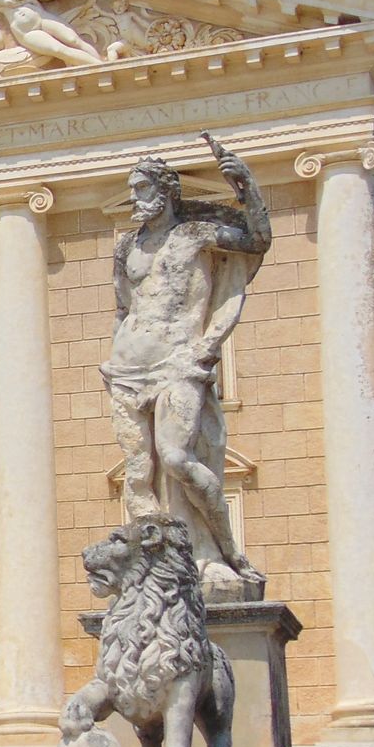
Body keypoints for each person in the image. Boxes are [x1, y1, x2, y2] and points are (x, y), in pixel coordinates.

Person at [103, 136, 272, 588]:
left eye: (140, 188)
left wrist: (246, 188)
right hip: (126, 368)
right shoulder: (127, 248)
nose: (134, 197)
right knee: (138, 474)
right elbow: (126, 307)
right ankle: (156, 568)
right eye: (132, 188)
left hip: (179, 360)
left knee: (176, 458)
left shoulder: (196, 235)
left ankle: (225, 548)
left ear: (165, 190)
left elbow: (257, 240)